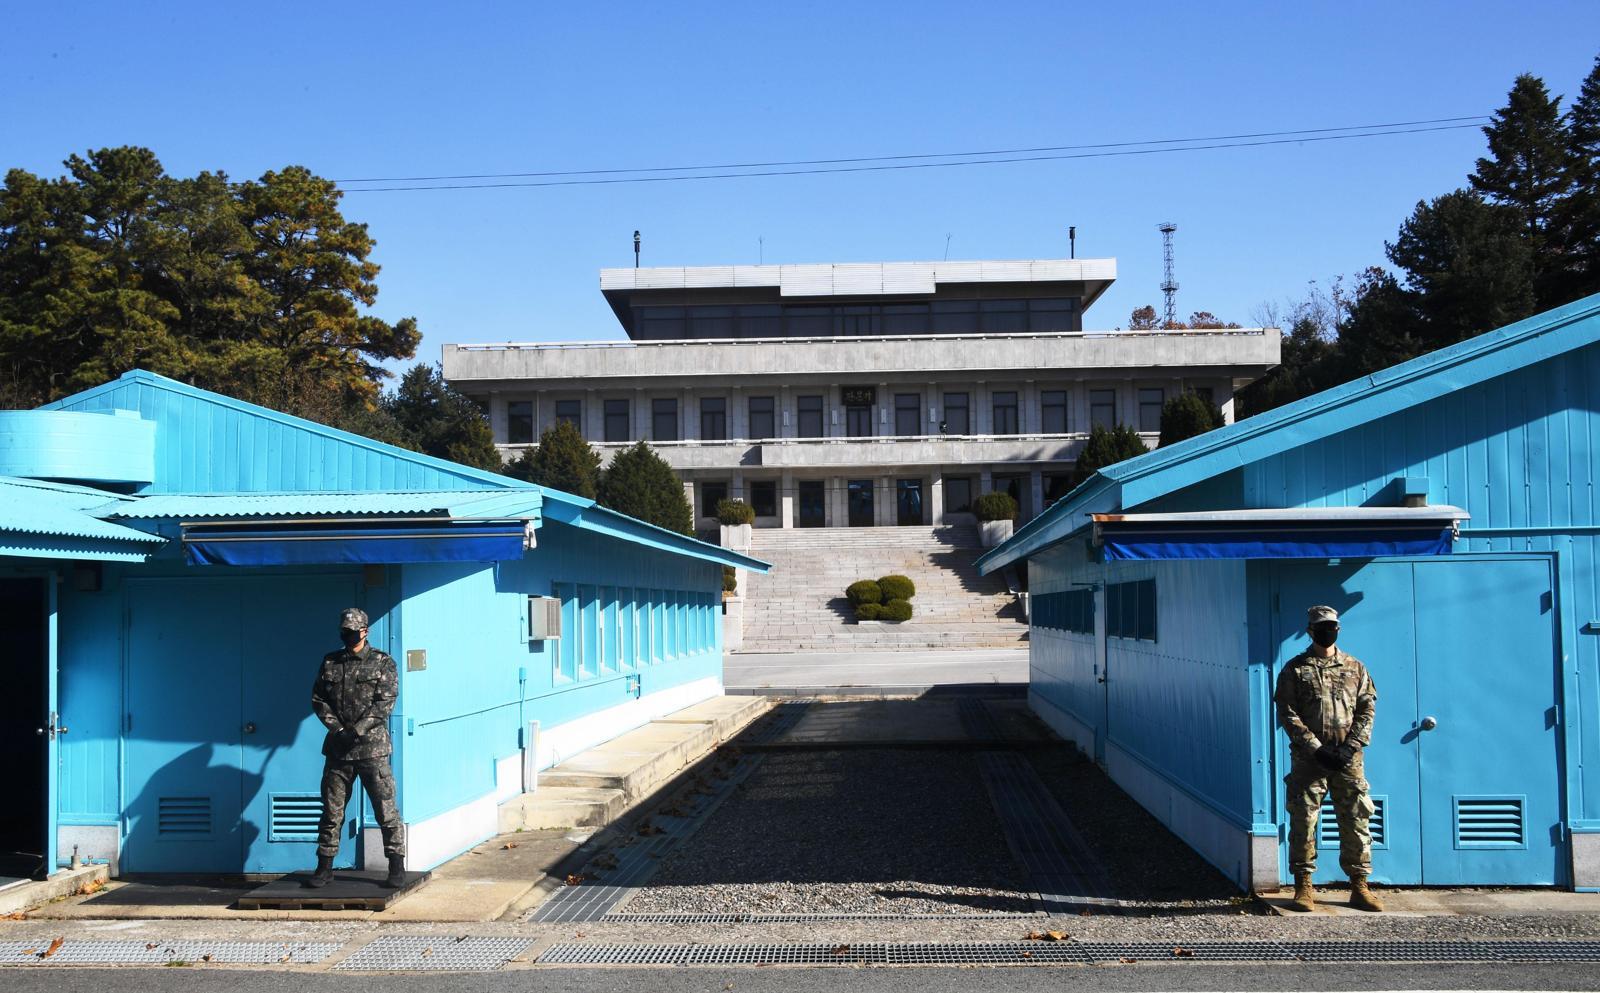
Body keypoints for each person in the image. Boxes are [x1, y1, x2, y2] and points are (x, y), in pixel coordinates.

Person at [1273, 605, 1383, 913]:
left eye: (1332, 626)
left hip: (1349, 759)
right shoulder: (1295, 669)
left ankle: (1360, 886)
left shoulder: (1355, 667)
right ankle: (1303, 885)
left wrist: (1350, 747)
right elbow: (1288, 713)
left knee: (1356, 819)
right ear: (1310, 631)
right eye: (1322, 627)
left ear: (1338, 629)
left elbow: (1366, 710)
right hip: (1311, 760)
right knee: (1303, 820)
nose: (1328, 631)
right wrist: (1315, 747)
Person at [304, 607, 406, 889]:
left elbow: (385, 703)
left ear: (365, 631)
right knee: (332, 811)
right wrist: (338, 729)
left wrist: (357, 730)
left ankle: (396, 864)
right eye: (344, 632)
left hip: (372, 750)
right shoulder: (330, 662)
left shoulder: (383, 663)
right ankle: (324, 866)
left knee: (385, 809)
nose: (348, 636)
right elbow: (318, 699)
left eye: (353, 632)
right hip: (339, 750)